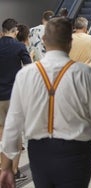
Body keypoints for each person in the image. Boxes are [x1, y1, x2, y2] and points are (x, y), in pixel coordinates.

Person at [0, 17, 91, 188]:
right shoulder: (83, 74)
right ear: (69, 41)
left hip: (39, 153)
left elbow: (13, 122)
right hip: (76, 153)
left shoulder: (26, 74)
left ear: (43, 41)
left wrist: (6, 166)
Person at [0, 18, 32, 182]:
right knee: (16, 133)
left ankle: (2, 168)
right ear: (15, 31)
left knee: (1, 132)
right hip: (14, 96)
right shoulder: (19, 46)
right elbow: (29, 69)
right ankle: (14, 171)